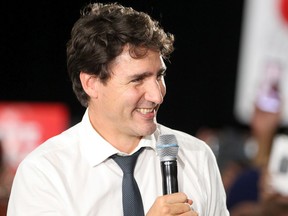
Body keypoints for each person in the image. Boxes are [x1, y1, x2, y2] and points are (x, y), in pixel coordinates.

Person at [7, 2, 229, 216]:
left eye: (159, 76)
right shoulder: (45, 173)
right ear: (91, 83)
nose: (157, 95)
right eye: (138, 79)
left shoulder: (197, 157)